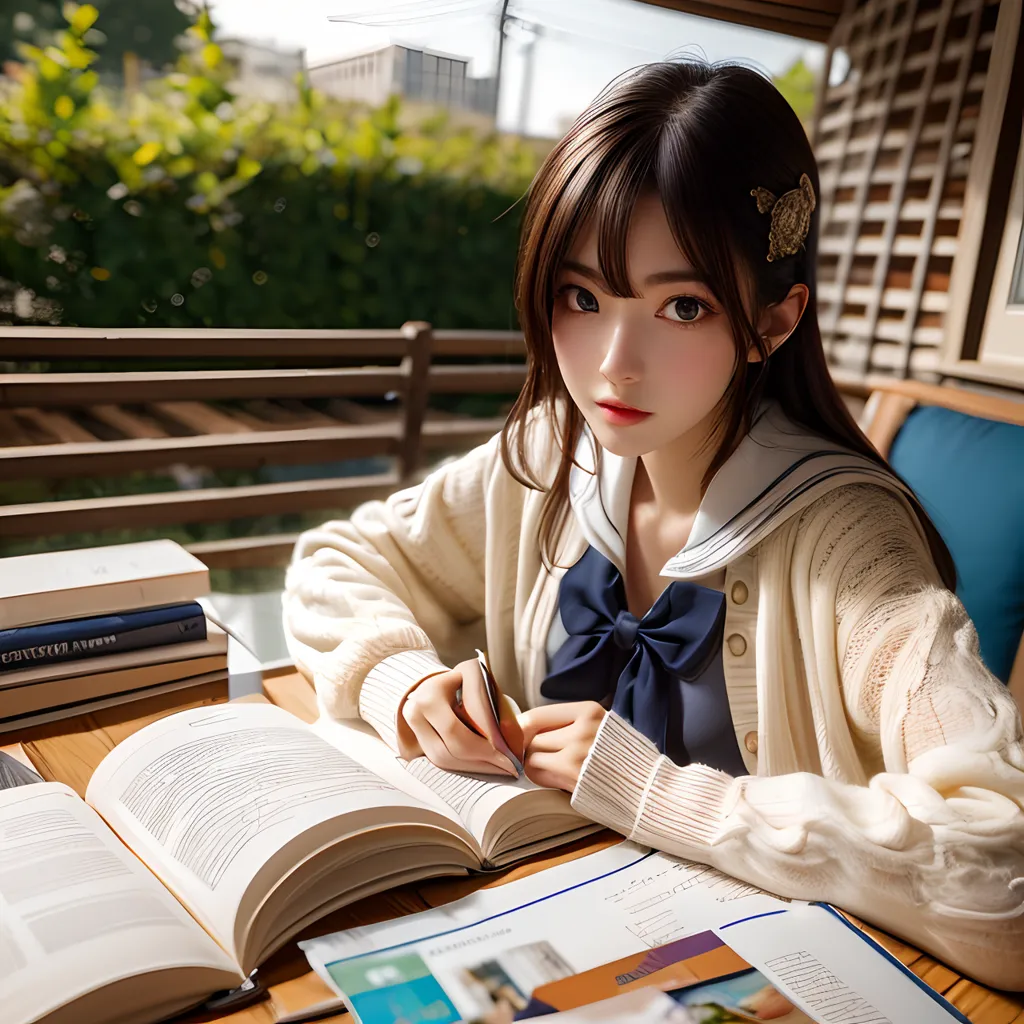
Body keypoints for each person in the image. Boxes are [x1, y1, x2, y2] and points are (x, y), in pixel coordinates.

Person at [283, 60, 1024, 990]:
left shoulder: (846, 544)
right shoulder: (555, 451)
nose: (613, 367)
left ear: (773, 320)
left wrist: (658, 794)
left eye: (682, 306)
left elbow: (1005, 875)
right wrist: (404, 681)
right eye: (583, 298)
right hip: (534, 929)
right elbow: (335, 561)